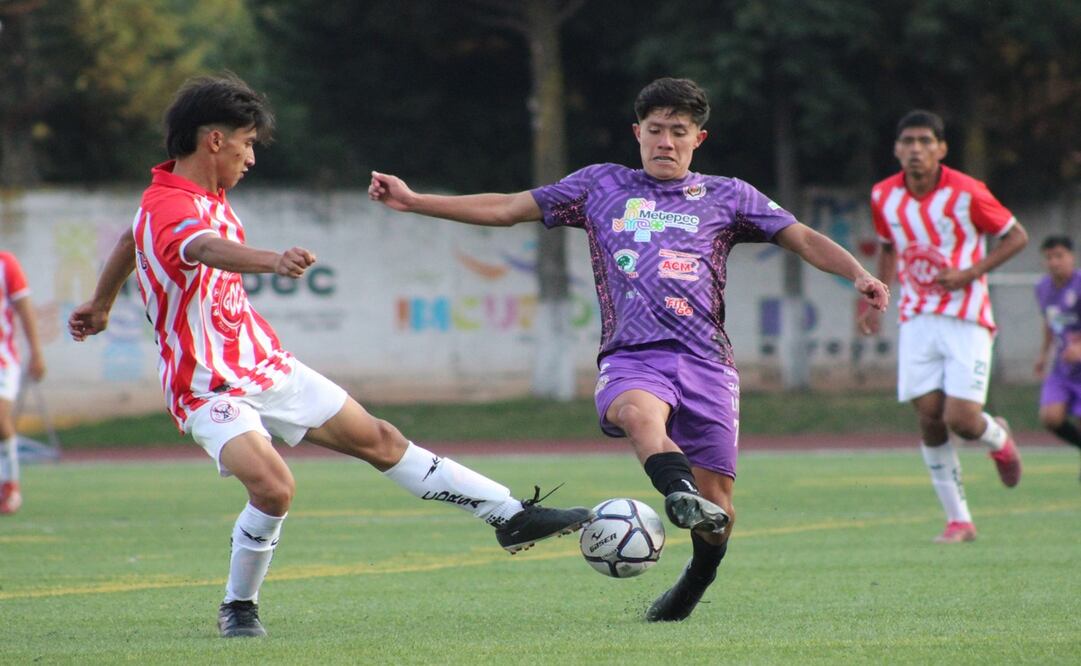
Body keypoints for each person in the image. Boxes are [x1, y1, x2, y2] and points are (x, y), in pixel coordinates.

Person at [67, 73, 590, 639]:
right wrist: (271, 261)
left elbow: (129, 238)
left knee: (382, 440)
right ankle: (239, 607)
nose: (250, 158)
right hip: (208, 385)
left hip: (265, 364)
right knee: (273, 487)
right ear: (213, 140)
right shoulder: (174, 207)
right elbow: (202, 248)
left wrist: (99, 303)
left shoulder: (187, 199)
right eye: (246, 143)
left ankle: (509, 515)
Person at [369, 77, 890, 622]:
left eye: (678, 132)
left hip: (709, 362)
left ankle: (691, 584)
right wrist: (413, 201)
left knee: (721, 515)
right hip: (633, 354)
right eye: (656, 130)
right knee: (640, 415)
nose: (665, 142)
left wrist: (858, 274)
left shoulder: (729, 196)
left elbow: (801, 236)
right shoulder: (600, 186)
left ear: (699, 139)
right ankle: (678, 490)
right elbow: (507, 207)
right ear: (637, 133)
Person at [860, 110, 1029, 544]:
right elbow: (887, 246)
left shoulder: (968, 192)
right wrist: (876, 296)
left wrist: (972, 272)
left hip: (967, 317)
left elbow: (1016, 236)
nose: (916, 149)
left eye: (925, 141)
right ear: (897, 149)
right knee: (930, 419)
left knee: (961, 419)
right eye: (908, 142)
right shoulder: (884, 196)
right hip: (917, 318)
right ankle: (959, 521)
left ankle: (999, 439)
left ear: (941, 149)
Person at [0, 251, 46, 514]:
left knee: (0, 418)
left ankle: (10, 485)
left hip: (2, 359)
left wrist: (36, 353)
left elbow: (24, 308)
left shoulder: (6, 264)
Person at [1033, 235, 1081, 479]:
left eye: (1059, 256)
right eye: (1049, 257)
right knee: (1051, 417)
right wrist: (1043, 354)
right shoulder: (1042, 288)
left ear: (1071, 257)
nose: (1054, 262)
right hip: (1063, 367)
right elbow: (1049, 323)